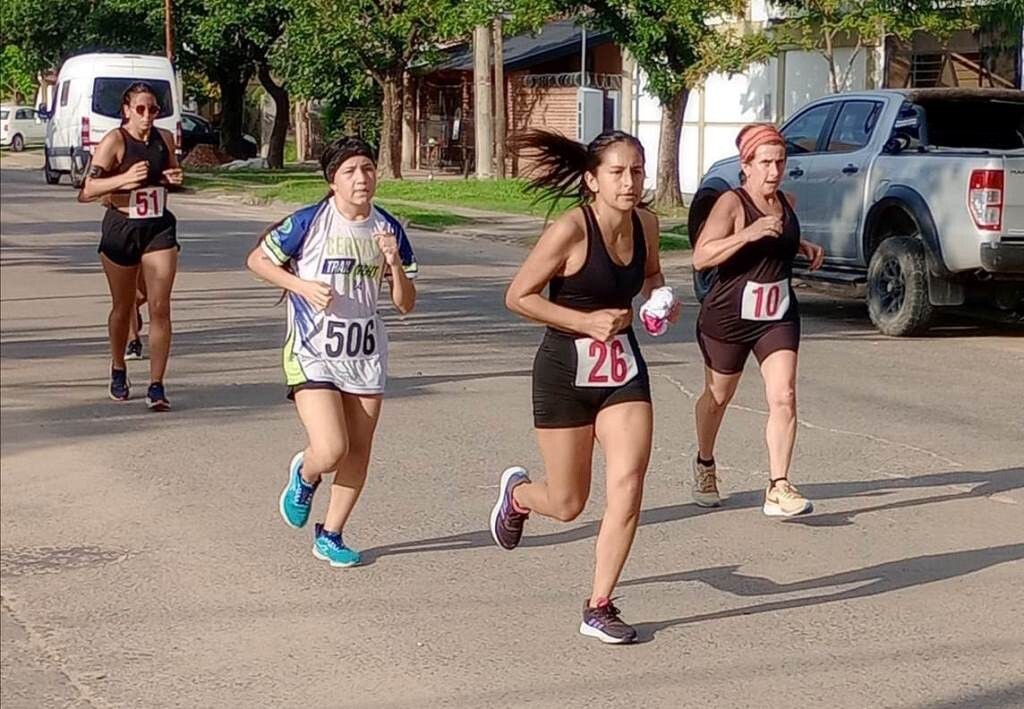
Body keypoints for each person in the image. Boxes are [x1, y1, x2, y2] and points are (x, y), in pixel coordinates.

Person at [488, 129, 678, 644]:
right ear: (593, 180)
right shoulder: (571, 230)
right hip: (563, 373)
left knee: (629, 483)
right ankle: (520, 496)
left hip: (622, 372)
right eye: (617, 172)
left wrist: (660, 301)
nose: (629, 181)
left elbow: (653, 275)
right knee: (569, 502)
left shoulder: (647, 225)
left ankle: (599, 605)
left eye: (636, 171)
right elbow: (518, 296)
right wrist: (585, 322)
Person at [246, 137, 418, 568]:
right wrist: (301, 286)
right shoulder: (309, 222)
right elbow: (257, 261)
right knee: (331, 447)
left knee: (359, 451)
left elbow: (405, 303)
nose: (362, 178)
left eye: (368, 168)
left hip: (364, 353)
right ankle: (306, 474)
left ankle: (332, 534)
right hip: (313, 349)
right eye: (350, 171)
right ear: (333, 181)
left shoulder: (388, 229)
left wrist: (394, 263)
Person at [689, 122, 825, 516]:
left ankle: (778, 486)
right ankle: (704, 463)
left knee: (784, 394)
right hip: (729, 316)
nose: (774, 170)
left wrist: (801, 245)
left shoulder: (785, 201)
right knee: (718, 397)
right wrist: (747, 234)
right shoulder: (731, 203)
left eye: (780, 162)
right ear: (745, 165)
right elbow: (701, 257)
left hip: (776, 315)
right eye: (765, 162)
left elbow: (775, 238)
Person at [80, 81, 182, 410]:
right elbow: (87, 190)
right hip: (121, 227)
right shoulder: (115, 141)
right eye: (140, 109)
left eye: (153, 109)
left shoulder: (164, 139)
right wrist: (122, 180)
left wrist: (174, 178)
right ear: (126, 110)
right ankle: (118, 368)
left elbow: (171, 174)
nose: (148, 115)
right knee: (123, 307)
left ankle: (157, 385)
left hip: (158, 227)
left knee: (160, 306)